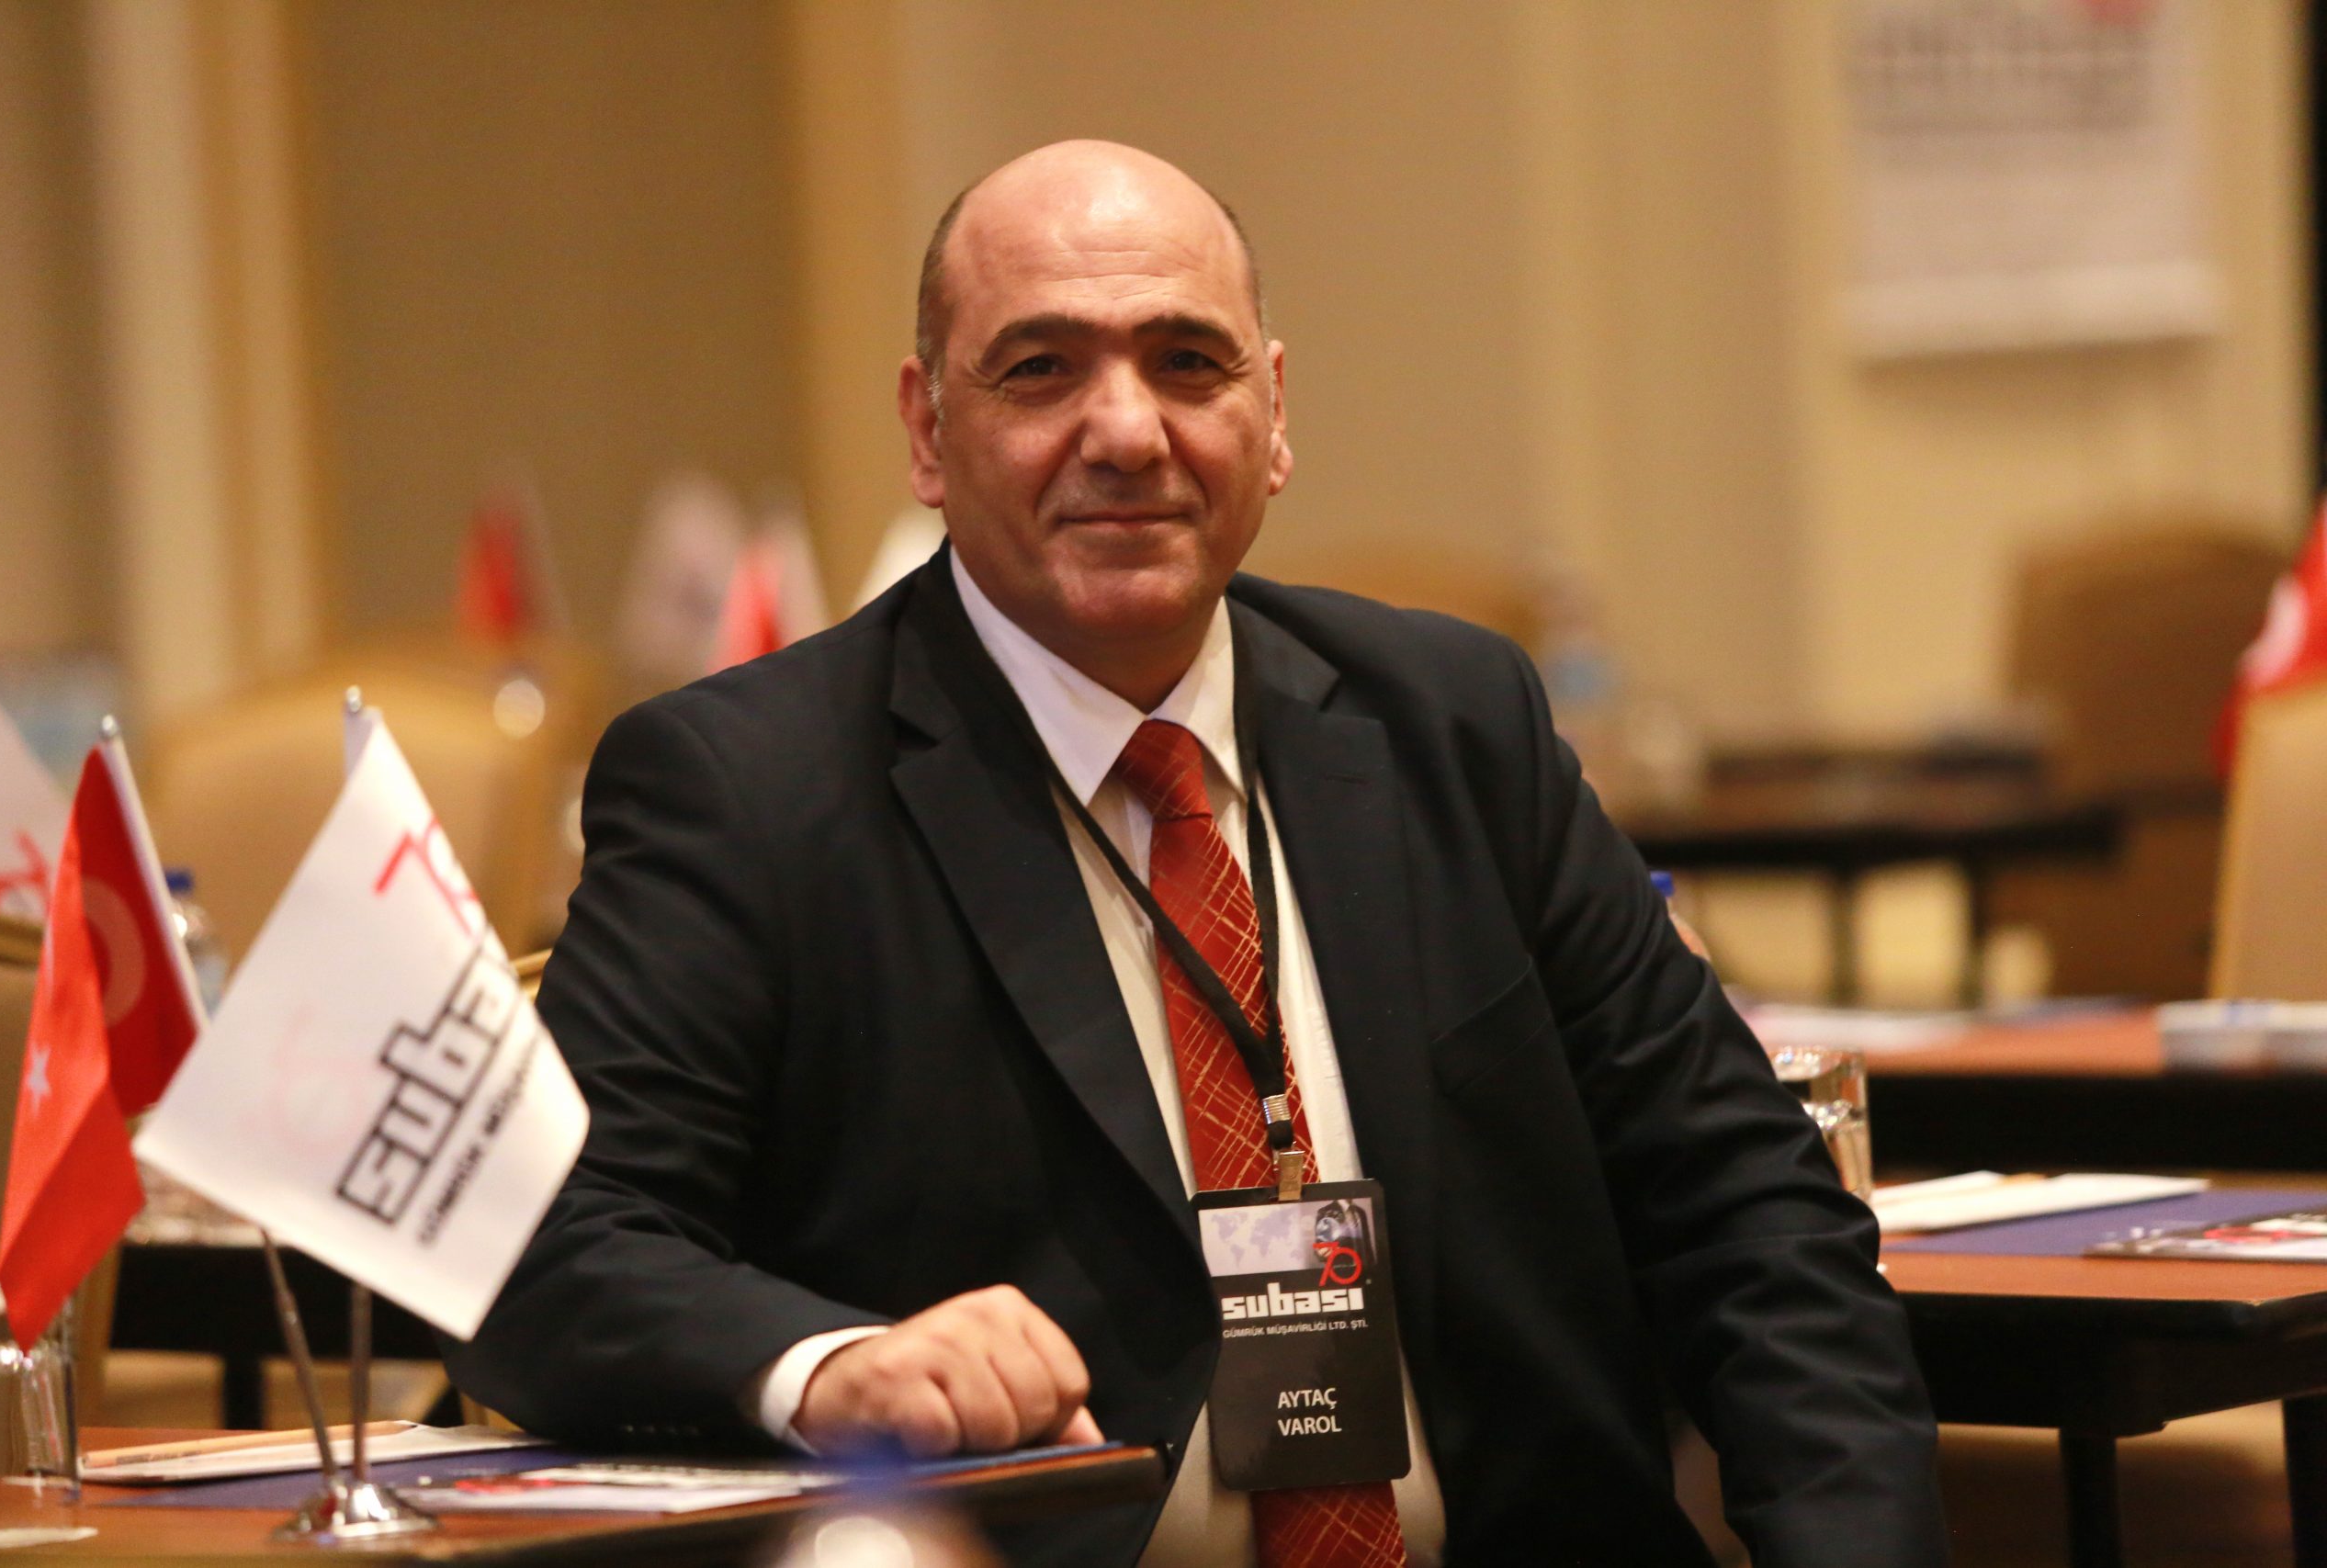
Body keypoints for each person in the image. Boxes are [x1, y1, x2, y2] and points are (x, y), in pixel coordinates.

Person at [447, 140, 1946, 1566]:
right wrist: (833, 1366)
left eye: (1186, 362)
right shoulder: (750, 791)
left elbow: (1752, 1216)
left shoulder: (1452, 723)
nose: (1126, 431)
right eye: (1041, 369)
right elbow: (542, 1253)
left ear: (1272, 414)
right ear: (925, 429)